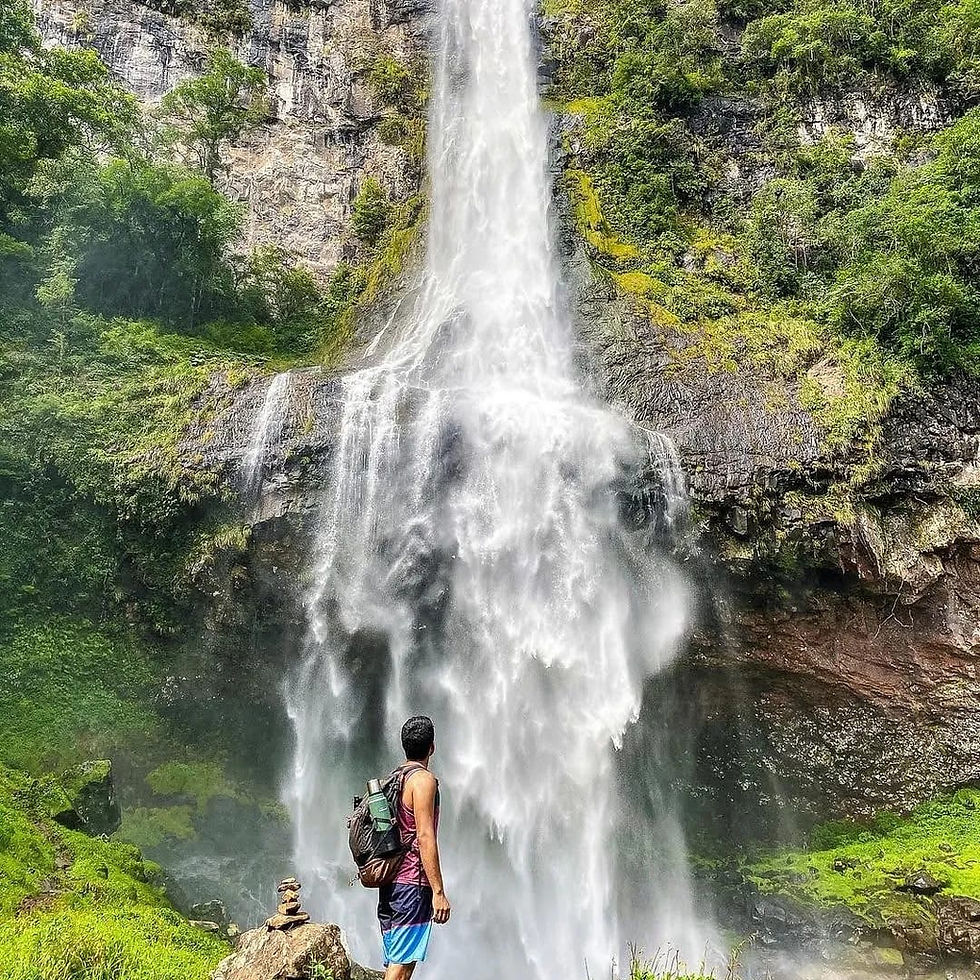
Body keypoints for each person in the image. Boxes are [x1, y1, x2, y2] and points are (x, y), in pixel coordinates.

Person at [378, 715, 451, 980]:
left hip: (391, 885)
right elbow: (424, 836)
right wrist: (438, 892)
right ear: (432, 747)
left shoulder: (394, 779)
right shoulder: (423, 781)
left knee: (395, 962)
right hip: (411, 885)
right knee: (401, 968)